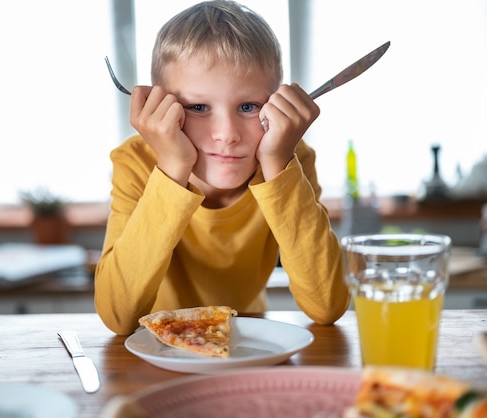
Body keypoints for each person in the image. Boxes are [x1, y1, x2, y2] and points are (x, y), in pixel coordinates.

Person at [95, 0, 350, 335]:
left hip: (247, 340)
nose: (227, 135)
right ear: (162, 107)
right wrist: (173, 167)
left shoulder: (290, 158)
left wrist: (277, 163)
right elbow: (118, 315)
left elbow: (327, 306)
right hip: (156, 348)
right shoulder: (135, 162)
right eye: (198, 107)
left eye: (248, 106)